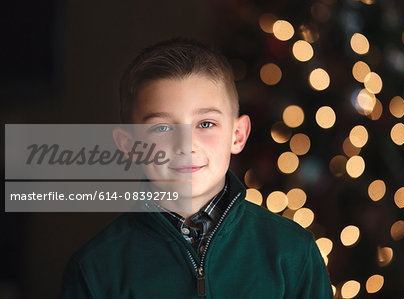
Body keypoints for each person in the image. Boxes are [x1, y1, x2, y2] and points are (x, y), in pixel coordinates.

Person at [59, 37, 333, 298]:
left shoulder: (293, 253)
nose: (185, 145)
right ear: (129, 146)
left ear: (237, 135)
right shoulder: (95, 269)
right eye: (162, 127)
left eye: (205, 124)